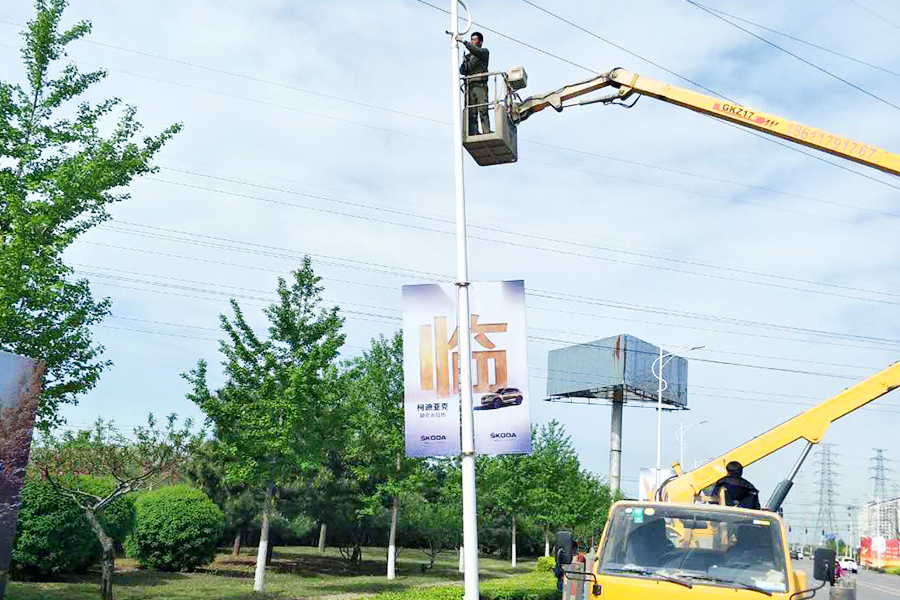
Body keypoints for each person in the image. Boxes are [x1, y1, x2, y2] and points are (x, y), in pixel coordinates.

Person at [458, 31, 491, 135]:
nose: (472, 41)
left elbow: (476, 51)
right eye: (471, 40)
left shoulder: (484, 52)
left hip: (480, 85)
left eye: (474, 40)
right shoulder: (468, 57)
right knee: (471, 112)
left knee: (483, 110)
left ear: (480, 42)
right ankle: (474, 132)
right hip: (469, 86)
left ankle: (486, 132)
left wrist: (464, 42)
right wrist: (464, 63)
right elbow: (463, 71)